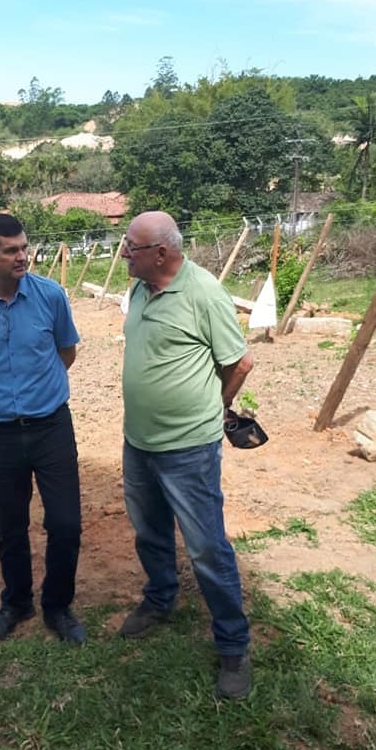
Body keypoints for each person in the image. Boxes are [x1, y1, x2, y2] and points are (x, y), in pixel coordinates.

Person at [118, 211, 254, 699]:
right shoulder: (138, 288)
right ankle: (160, 600)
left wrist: (213, 408)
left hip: (189, 449)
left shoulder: (204, 294)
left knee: (205, 548)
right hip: (139, 441)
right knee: (150, 532)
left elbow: (240, 361)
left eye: (131, 246)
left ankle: (234, 647)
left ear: (161, 253)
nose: (123, 252)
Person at [0, 213, 86, 645]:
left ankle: (58, 606)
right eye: (10, 250)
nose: (22, 256)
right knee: (10, 524)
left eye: (24, 247)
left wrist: (35, 391)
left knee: (66, 524)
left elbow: (67, 353)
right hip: (0, 433)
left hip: (51, 428)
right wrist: (5, 394)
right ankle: (17, 602)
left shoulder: (51, 296)